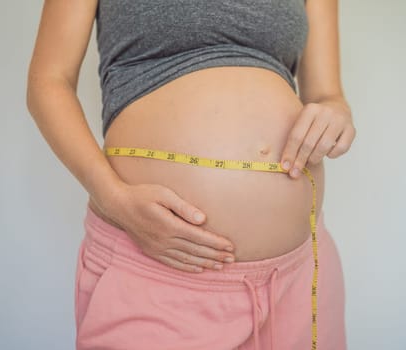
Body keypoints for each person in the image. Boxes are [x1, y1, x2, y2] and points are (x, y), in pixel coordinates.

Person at [26, 0, 355, 349]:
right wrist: (113, 199)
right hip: (156, 263)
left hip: (300, 278)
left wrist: (336, 113)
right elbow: (49, 82)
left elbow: (326, 94)